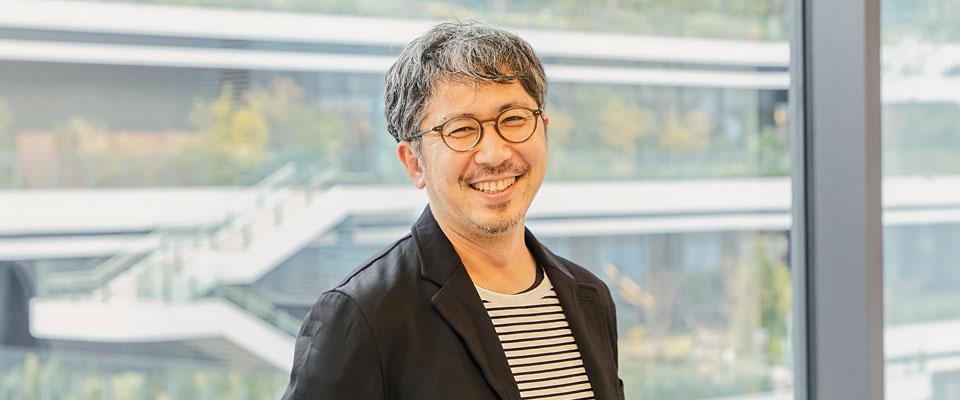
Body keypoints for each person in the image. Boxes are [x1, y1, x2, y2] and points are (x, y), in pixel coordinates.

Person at [282, 21, 623, 400]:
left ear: (543, 129)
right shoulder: (364, 314)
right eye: (460, 129)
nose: (494, 154)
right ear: (414, 162)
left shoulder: (590, 296)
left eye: (513, 119)